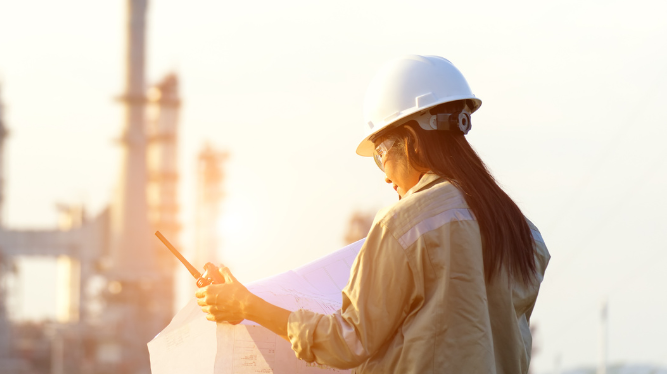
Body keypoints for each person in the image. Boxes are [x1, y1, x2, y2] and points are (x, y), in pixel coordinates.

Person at [196, 55, 550, 374]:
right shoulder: (522, 232)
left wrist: (247, 305)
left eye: (380, 153)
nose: (383, 173)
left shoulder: (404, 224)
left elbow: (349, 340)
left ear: (411, 139)